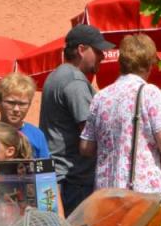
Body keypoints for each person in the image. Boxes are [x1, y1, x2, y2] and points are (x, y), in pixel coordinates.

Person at [79, 34, 161, 193]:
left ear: (121, 63)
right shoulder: (149, 93)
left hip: (106, 191)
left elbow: (86, 147)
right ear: (149, 64)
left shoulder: (101, 96)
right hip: (141, 192)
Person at [40, 24, 114, 214]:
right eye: (98, 51)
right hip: (74, 182)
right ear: (81, 50)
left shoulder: (56, 76)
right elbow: (90, 133)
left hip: (60, 178)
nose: (103, 57)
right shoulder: (75, 81)